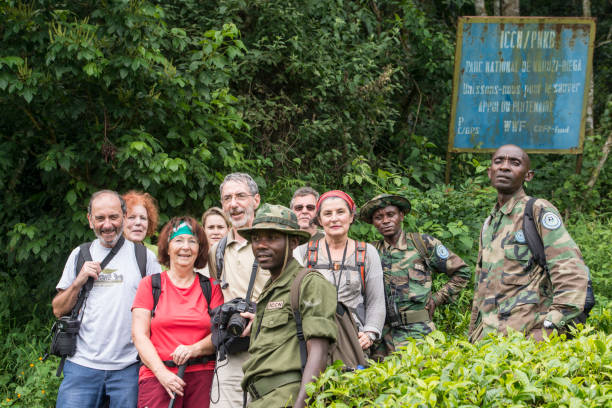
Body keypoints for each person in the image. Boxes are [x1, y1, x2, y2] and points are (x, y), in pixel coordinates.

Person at [469, 144, 590, 343]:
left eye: (514, 163)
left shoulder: (537, 210)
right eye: (499, 161)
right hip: (488, 342)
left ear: (528, 175)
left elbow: (571, 271)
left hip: (525, 343)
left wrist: (550, 328)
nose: (505, 167)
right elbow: (482, 291)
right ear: (490, 171)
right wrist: (472, 335)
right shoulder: (489, 223)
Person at [53, 190, 161, 408]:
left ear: (123, 215)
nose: (107, 225)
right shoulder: (79, 254)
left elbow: (159, 310)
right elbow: (58, 309)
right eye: (100, 218)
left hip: (128, 369)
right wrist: (78, 281)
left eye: (113, 217)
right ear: (90, 220)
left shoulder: (144, 258)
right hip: (81, 367)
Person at [238, 204, 337, 408]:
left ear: (293, 242)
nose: (261, 245)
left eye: (272, 238)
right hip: (259, 399)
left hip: (286, 398)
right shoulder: (271, 287)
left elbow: (318, 351)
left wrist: (301, 405)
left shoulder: (309, 283)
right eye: (256, 239)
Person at [359, 194, 470, 356]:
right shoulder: (370, 252)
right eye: (378, 217)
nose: (385, 221)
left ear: (401, 216)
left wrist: (437, 299)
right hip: (381, 338)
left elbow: (462, 272)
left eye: (391, 215)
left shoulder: (422, 244)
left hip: (418, 334)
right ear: (374, 223)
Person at [132, 217, 223, 408]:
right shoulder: (150, 285)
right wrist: (162, 373)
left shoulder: (211, 288)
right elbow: (139, 335)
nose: (186, 247)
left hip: (202, 377)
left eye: (192, 241)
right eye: (179, 240)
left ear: (200, 249)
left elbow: (219, 334)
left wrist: (193, 349)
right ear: (167, 246)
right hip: (157, 376)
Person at [207, 173, 270, 408]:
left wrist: (263, 317)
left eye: (240, 196)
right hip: (232, 354)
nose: (233, 204)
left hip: (273, 350)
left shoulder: (276, 243)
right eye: (227, 198)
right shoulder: (217, 250)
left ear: (256, 200)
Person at [293, 190, 385, 351]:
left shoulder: (367, 253)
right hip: (313, 339)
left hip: (355, 339)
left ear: (351, 217)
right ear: (320, 219)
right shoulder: (302, 253)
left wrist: (370, 333)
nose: (334, 218)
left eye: (340, 212)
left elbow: (376, 301)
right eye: (327, 213)